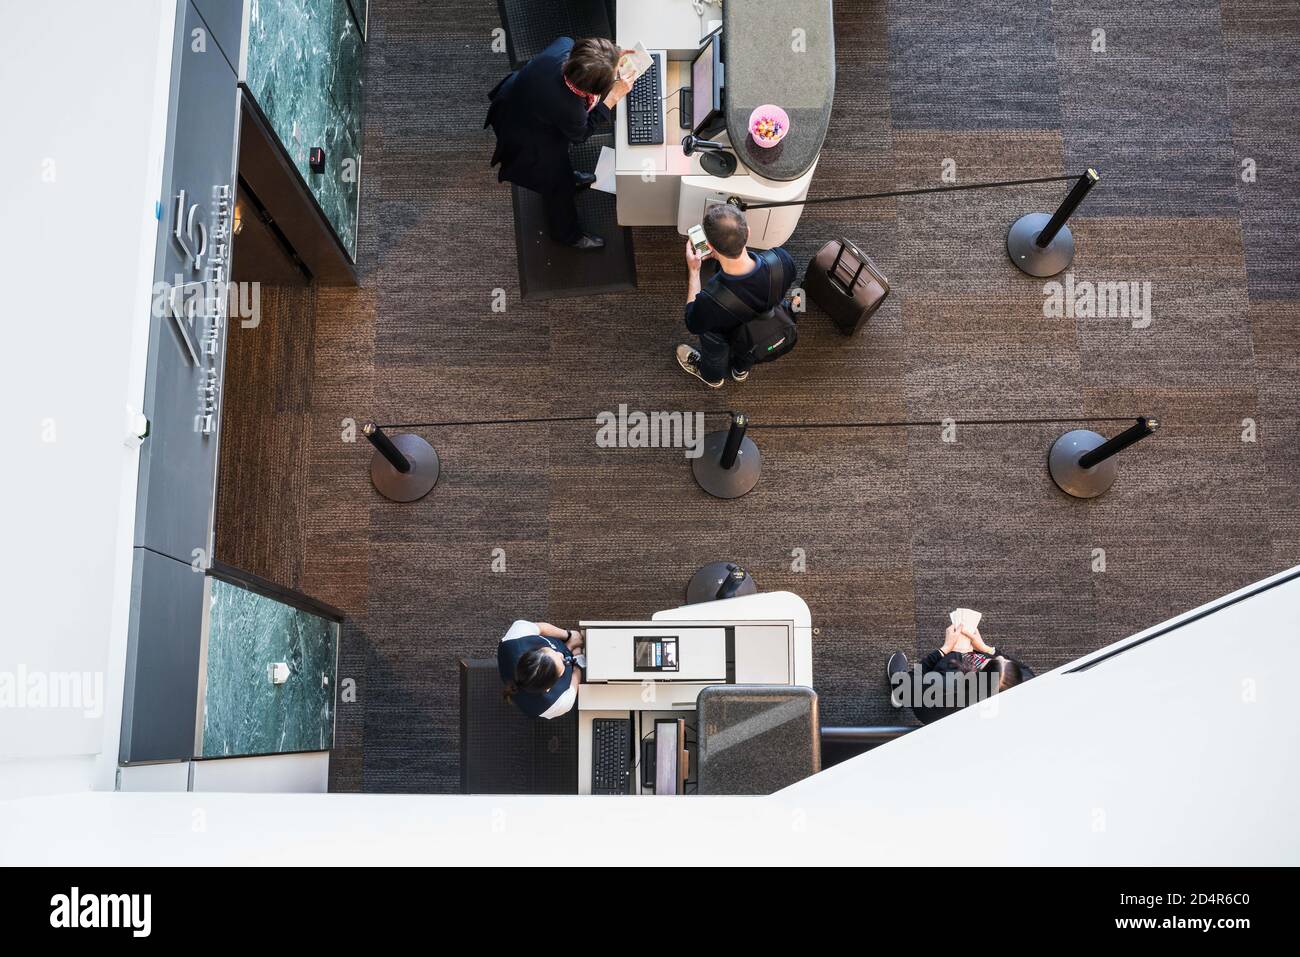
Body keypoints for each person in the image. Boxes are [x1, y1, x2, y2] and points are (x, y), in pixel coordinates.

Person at [484, 36, 632, 250]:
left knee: (562, 171)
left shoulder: (564, 45)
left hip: (518, 99)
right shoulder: (571, 109)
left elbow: (586, 56)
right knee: (558, 188)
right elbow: (580, 135)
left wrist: (612, 57)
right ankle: (567, 235)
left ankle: (571, 179)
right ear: (593, 89)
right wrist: (612, 99)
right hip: (530, 135)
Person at [676, 203, 799, 388]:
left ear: (708, 245)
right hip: (763, 329)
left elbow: (692, 322)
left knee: (714, 348)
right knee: (750, 347)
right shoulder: (781, 260)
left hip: (726, 335)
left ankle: (712, 377)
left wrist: (694, 271)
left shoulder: (710, 301)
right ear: (748, 232)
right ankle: (740, 370)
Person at [886, 623, 1033, 724]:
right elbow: (1023, 668)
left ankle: (899, 697)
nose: (998, 656)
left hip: (928, 709)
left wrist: (944, 650)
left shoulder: (945, 685)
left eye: (991, 660)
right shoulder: (1028, 681)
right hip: (952, 726)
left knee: (903, 685)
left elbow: (905, 686)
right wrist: (987, 649)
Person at [498, 619, 585, 719]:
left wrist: (568, 635)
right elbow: (574, 683)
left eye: (552, 651)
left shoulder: (515, 638)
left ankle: (568, 647)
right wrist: (577, 656)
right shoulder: (555, 704)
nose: (560, 654)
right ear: (548, 689)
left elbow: (540, 628)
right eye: (562, 662)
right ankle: (569, 648)